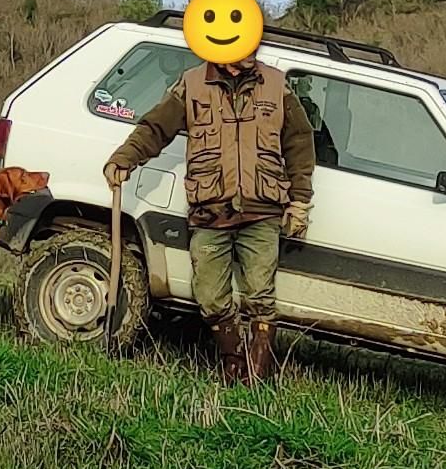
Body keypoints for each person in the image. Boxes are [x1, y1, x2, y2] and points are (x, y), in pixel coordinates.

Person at [103, 50, 315, 383]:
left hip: (263, 211)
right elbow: (156, 128)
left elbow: (300, 142)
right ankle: (234, 361)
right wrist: (124, 159)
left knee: (260, 297)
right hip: (209, 212)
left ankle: (255, 379)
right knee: (210, 299)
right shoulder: (191, 85)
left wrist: (300, 201)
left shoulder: (276, 85)